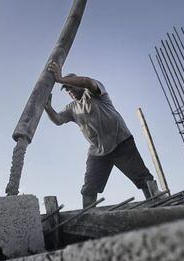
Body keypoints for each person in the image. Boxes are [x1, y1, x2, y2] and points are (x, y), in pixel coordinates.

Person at [45, 61, 156, 208]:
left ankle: (157, 202)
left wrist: (60, 79)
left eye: (71, 86)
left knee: (143, 178)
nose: (69, 91)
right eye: (66, 90)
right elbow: (58, 120)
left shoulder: (94, 92)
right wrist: (48, 108)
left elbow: (87, 82)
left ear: (78, 84)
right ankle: (88, 216)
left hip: (120, 142)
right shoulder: (72, 108)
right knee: (89, 188)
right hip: (98, 152)